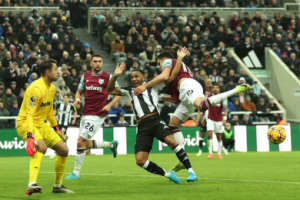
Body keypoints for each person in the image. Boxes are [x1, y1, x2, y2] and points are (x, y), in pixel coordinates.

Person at [134, 48, 251, 171]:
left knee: (202, 106)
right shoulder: (176, 67)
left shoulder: (167, 61)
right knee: (173, 125)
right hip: (186, 93)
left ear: (163, 59)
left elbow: (164, 76)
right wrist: (162, 98)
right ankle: (181, 157)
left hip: (188, 86)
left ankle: (235, 90)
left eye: (158, 63)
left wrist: (145, 85)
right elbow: (176, 95)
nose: (159, 66)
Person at [107, 57, 197, 184]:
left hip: (155, 120)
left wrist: (179, 59)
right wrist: (115, 75)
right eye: (132, 77)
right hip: (142, 126)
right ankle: (168, 174)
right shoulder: (129, 91)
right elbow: (109, 90)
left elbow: (168, 77)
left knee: (172, 142)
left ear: (144, 77)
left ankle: (191, 171)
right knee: (140, 161)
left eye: (137, 76)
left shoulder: (153, 86)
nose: (134, 79)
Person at [16, 59, 73, 195]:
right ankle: (31, 184)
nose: (58, 72)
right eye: (55, 69)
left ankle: (57, 186)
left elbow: (49, 111)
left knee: (64, 150)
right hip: (25, 122)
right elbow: (29, 115)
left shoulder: (52, 88)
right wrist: (30, 136)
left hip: (41, 124)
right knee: (41, 147)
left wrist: (57, 128)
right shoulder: (35, 89)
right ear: (48, 72)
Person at [65, 54, 121, 179]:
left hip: (97, 115)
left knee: (80, 141)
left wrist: (109, 105)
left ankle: (76, 172)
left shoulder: (108, 77)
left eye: (100, 61)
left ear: (102, 63)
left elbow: (119, 92)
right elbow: (79, 91)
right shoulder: (85, 76)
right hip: (85, 113)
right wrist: (78, 99)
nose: (97, 64)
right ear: (91, 63)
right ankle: (111, 145)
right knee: (85, 142)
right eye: (95, 61)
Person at [203, 83, 228, 159]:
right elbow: (204, 107)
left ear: (219, 89)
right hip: (210, 118)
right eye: (214, 88)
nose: (215, 89)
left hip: (219, 119)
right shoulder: (208, 96)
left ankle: (219, 154)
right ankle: (210, 153)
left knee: (219, 136)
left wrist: (225, 118)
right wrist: (203, 117)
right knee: (209, 134)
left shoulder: (223, 97)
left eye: (217, 88)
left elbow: (226, 108)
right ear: (212, 89)